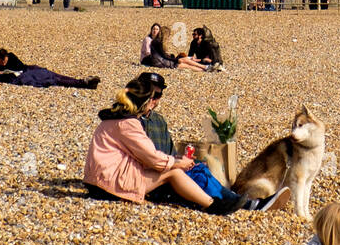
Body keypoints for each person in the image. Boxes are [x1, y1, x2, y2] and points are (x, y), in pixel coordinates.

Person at [83, 72, 247, 215]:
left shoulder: (114, 118)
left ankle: (227, 199)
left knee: (195, 168)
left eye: (157, 96)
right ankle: (214, 205)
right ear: (145, 101)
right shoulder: (128, 124)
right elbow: (153, 159)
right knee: (176, 173)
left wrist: (178, 160)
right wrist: (178, 162)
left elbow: (153, 156)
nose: (153, 102)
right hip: (107, 184)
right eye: (151, 98)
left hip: (100, 180)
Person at [0, 47, 99, 89]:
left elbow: (21, 66)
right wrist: (0, 74)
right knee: (53, 80)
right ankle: (82, 83)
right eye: (1, 61)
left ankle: (82, 81)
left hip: (27, 71)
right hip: (21, 77)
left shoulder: (11, 57)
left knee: (52, 74)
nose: (3, 62)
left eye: (5, 60)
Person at [140, 24, 209, 72]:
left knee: (184, 61)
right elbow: (163, 56)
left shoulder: (156, 42)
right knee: (184, 64)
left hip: (160, 61)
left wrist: (173, 58)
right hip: (160, 62)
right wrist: (175, 59)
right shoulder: (157, 42)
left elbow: (162, 54)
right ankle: (205, 68)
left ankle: (205, 68)